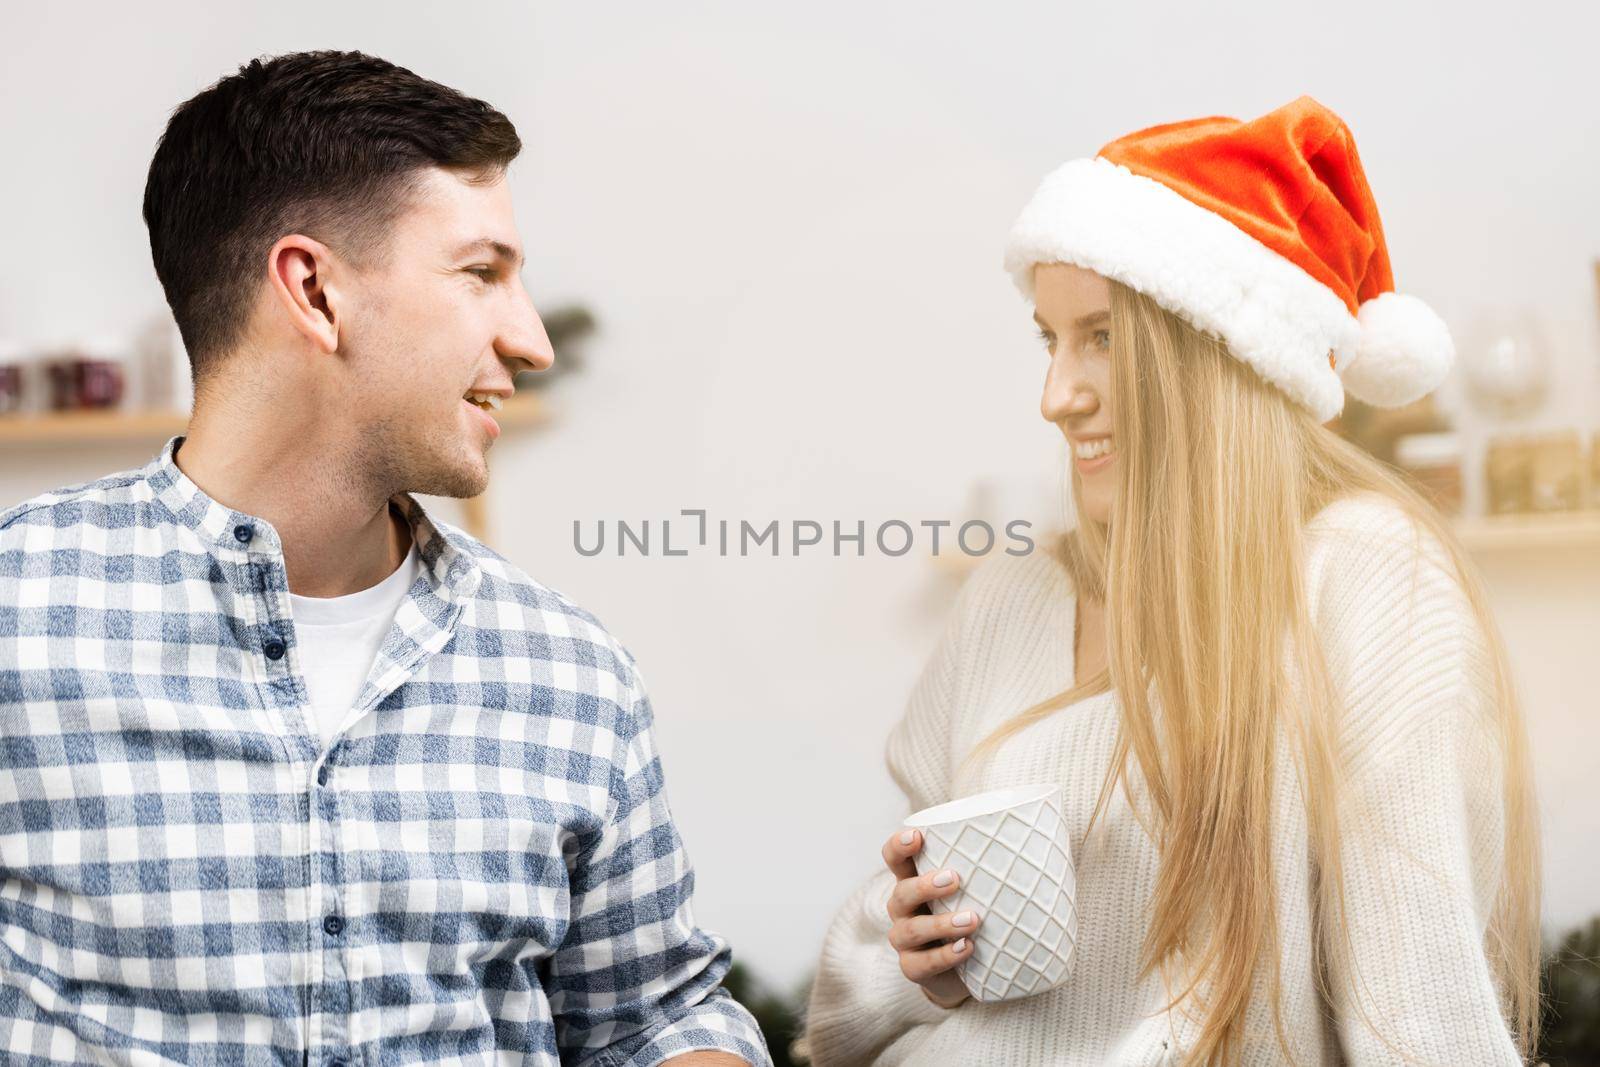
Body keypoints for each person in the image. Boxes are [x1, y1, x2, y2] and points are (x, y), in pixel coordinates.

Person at [0, 50, 767, 1067]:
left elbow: (649, 1013)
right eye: (482, 273)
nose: (531, 338)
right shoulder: (19, 614)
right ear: (314, 290)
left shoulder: (572, 669)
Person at [802, 95, 1540, 1066]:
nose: (1056, 395)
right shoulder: (1010, 597)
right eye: (1049, 339)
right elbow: (841, 1015)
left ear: (1216, 354)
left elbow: (1420, 1018)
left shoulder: (1365, 580)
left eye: (1101, 336)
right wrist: (912, 955)